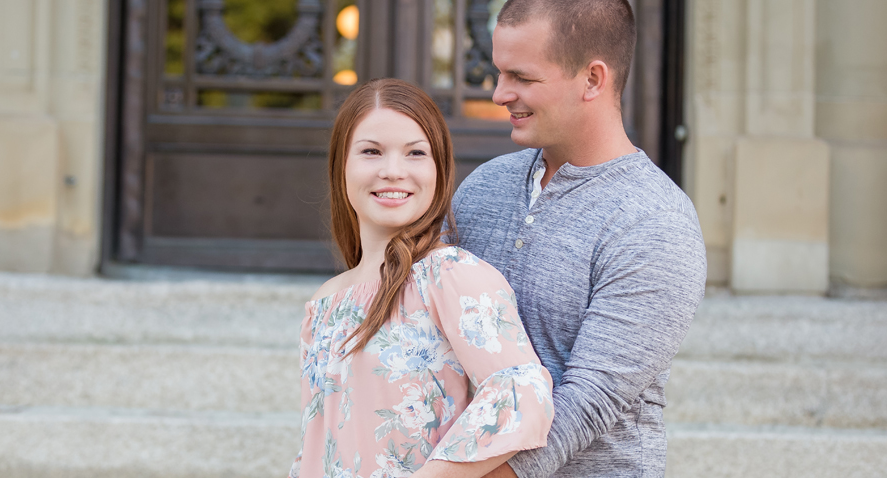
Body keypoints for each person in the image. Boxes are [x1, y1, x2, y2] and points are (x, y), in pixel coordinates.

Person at [451, 1, 707, 477]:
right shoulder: (482, 188)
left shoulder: (656, 222)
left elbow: (587, 402)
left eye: (522, 78)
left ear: (592, 79)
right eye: (499, 73)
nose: (500, 94)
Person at [289, 78, 554, 478]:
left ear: (438, 167)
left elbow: (522, 394)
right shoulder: (326, 301)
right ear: (341, 164)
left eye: (416, 153)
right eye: (371, 152)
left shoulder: (451, 275)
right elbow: (317, 445)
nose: (393, 171)